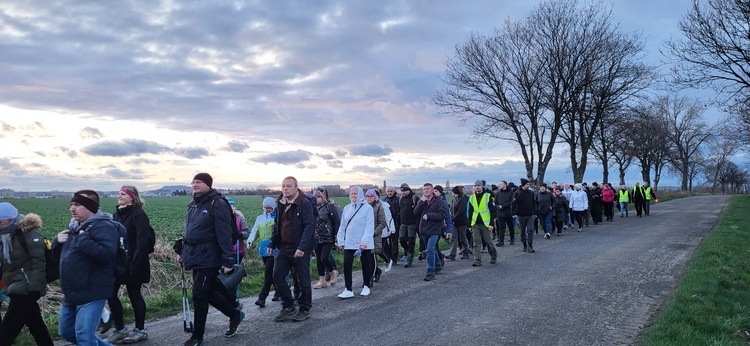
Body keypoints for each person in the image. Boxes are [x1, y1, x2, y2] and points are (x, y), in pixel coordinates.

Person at [180, 173, 245, 345]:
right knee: (207, 292)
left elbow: (224, 233)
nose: (194, 184)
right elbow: (190, 231)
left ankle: (197, 337)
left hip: (210, 256)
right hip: (196, 255)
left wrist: (227, 260)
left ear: (208, 184)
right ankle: (234, 313)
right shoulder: (193, 204)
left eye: (199, 182)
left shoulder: (218, 203)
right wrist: (183, 251)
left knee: (199, 294)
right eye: (193, 181)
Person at [53, 190, 119, 346]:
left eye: (77, 204)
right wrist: (57, 242)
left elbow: (107, 255)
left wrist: (83, 239)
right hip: (71, 292)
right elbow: (62, 256)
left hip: (92, 291)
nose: (72, 208)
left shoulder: (103, 227)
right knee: (67, 332)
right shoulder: (75, 227)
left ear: (90, 206)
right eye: (71, 204)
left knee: (84, 337)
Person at [0, 203, 54, 346]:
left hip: (26, 288)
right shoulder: (5, 236)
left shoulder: (29, 232)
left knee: (7, 330)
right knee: (35, 324)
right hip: (15, 285)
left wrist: (35, 288)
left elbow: (39, 261)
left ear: (10, 219)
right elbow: (6, 267)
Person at [106, 186, 151, 344]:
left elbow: (142, 242)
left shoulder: (139, 215)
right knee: (110, 293)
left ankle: (140, 331)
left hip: (134, 262)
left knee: (134, 295)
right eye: (118, 193)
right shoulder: (116, 215)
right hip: (118, 263)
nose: (119, 195)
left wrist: (134, 264)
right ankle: (120, 329)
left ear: (132, 197)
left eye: (123, 194)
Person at [268, 176, 315, 322]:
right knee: (277, 276)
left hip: (299, 247)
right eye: (283, 186)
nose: (285, 189)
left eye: (289, 186)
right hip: (284, 247)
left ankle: (304, 308)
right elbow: (278, 225)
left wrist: (302, 247)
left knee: (302, 279)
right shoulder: (280, 203)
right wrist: (272, 243)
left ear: (296, 188)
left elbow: (309, 226)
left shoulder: (304, 203)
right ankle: (288, 305)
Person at [336, 186, 375, 298]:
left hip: (363, 242)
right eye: (351, 193)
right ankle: (348, 289)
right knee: (347, 264)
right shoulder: (347, 208)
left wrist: (365, 241)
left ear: (360, 194)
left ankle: (366, 286)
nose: (353, 195)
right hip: (349, 242)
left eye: (355, 193)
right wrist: (341, 240)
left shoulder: (367, 208)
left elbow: (369, 226)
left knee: (365, 264)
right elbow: (342, 226)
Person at [414, 183, 450, 280]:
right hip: (424, 229)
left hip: (435, 229)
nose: (425, 191)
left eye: (427, 189)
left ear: (432, 190)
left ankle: (430, 272)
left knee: (430, 249)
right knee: (431, 249)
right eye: (424, 189)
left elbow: (442, 214)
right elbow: (416, 212)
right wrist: (421, 201)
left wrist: (430, 216)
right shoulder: (423, 201)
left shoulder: (440, 202)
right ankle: (437, 265)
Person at [247, 197, 278, 307]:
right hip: (263, 249)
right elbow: (255, 231)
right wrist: (250, 241)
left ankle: (262, 297)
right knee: (272, 273)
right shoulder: (259, 218)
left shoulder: (276, 218)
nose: (267, 210)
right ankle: (279, 291)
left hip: (274, 249)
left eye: (269, 208)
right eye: (265, 207)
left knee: (268, 273)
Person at [312, 189, 341, 289]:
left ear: (324, 197)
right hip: (316, 236)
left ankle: (333, 272)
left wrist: (336, 235)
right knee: (318, 259)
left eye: (319, 197)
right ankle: (322, 280)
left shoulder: (329, 207)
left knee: (324, 257)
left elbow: (336, 221)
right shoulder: (312, 208)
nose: (317, 199)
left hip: (328, 236)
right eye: (315, 197)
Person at [224, 197, 250, 308]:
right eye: (228, 206)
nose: (231, 208)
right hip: (224, 252)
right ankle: (229, 300)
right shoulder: (221, 219)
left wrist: (240, 234)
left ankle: (233, 302)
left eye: (232, 206)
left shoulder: (239, 219)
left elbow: (246, 233)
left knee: (231, 277)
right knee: (225, 276)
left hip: (237, 251)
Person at [468, 180, 498, 265]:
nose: (477, 187)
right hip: (475, 223)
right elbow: (470, 212)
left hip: (486, 223)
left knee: (488, 241)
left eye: (478, 185)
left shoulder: (488, 196)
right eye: (475, 185)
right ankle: (477, 260)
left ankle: (493, 255)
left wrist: (492, 224)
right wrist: (469, 225)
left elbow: (493, 211)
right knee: (476, 242)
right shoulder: (472, 197)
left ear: (482, 187)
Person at [365, 189, 388, 286]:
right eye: (368, 196)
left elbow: (383, 223)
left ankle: (370, 278)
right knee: (366, 258)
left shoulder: (379, 208)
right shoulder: (363, 208)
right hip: (365, 236)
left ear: (375, 197)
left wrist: (375, 232)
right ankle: (376, 271)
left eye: (371, 196)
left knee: (372, 257)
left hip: (374, 236)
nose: (369, 198)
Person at [371, 189, 394, 282]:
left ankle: (388, 260)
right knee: (372, 254)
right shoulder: (367, 206)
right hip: (371, 233)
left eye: (373, 196)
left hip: (383, 232)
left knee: (378, 251)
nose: (371, 198)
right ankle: (377, 271)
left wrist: (391, 229)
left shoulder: (383, 206)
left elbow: (389, 219)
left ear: (377, 197)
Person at [398, 184, 420, 268]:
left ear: (409, 190)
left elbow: (418, 211)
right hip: (403, 223)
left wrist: (417, 223)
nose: (403, 193)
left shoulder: (415, 198)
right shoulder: (401, 198)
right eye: (402, 191)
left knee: (411, 241)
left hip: (412, 223)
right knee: (402, 240)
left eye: (404, 191)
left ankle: (409, 259)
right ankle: (409, 252)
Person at [512, 178, 537, 253]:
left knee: (530, 229)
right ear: (523, 185)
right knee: (522, 230)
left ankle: (530, 245)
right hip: (521, 215)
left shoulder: (531, 193)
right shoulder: (517, 193)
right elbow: (513, 204)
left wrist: (535, 212)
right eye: (527, 184)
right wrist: (514, 213)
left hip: (530, 214)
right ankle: (524, 244)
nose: (528, 185)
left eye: (528, 184)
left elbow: (534, 203)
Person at [447, 185, 469, 260]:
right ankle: (452, 254)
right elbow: (451, 208)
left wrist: (454, 218)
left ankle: (465, 253)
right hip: (454, 222)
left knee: (462, 238)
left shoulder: (462, 199)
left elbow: (461, 211)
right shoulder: (454, 199)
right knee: (454, 238)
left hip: (462, 221)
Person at [382, 186, 401, 265]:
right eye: (388, 191)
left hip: (396, 223)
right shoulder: (383, 201)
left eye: (391, 191)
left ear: (394, 191)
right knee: (384, 242)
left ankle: (394, 259)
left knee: (394, 242)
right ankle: (388, 256)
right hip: (386, 224)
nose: (389, 193)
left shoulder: (398, 200)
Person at [494, 181, 515, 246]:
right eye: (499, 184)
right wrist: (497, 206)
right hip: (500, 213)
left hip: (508, 213)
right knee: (501, 227)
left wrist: (503, 206)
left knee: (510, 227)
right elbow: (495, 202)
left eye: (501, 184)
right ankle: (501, 241)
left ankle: (512, 239)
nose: (499, 185)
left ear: (505, 185)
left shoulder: (511, 192)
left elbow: (512, 202)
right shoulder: (498, 193)